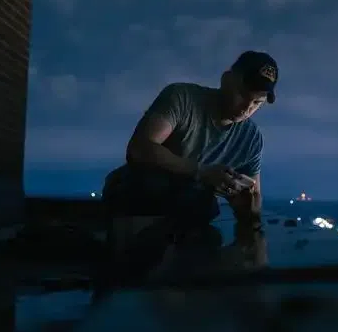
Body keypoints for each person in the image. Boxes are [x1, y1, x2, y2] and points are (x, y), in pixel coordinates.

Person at [101, 50, 278, 259]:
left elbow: (253, 196)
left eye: (257, 103)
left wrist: (248, 211)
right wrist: (202, 172)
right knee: (160, 187)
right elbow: (139, 148)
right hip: (136, 195)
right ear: (226, 80)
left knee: (204, 205)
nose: (246, 108)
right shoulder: (182, 97)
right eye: (243, 94)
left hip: (188, 209)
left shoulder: (251, 139)